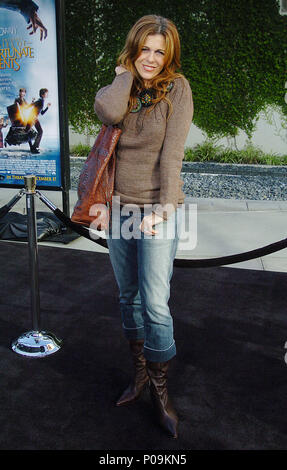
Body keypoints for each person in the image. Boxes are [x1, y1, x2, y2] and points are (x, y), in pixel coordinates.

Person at [94, 14, 193, 439]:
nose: (152, 58)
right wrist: (122, 76)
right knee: (127, 295)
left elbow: (173, 156)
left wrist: (165, 208)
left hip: (156, 210)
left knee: (155, 301)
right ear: (133, 50)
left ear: (169, 56)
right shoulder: (120, 88)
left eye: (160, 51)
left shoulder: (178, 90)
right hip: (117, 208)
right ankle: (138, 374)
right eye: (145, 49)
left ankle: (159, 390)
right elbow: (110, 111)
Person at [27, 88, 51, 154]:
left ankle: (33, 147)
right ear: (43, 94)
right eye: (46, 93)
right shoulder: (39, 101)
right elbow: (30, 106)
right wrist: (32, 102)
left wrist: (47, 107)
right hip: (32, 118)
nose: (47, 94)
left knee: (35, 131)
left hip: (34, 118)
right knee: (30, 131)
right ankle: (33, 147)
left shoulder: (42, 101)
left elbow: (42, 113)